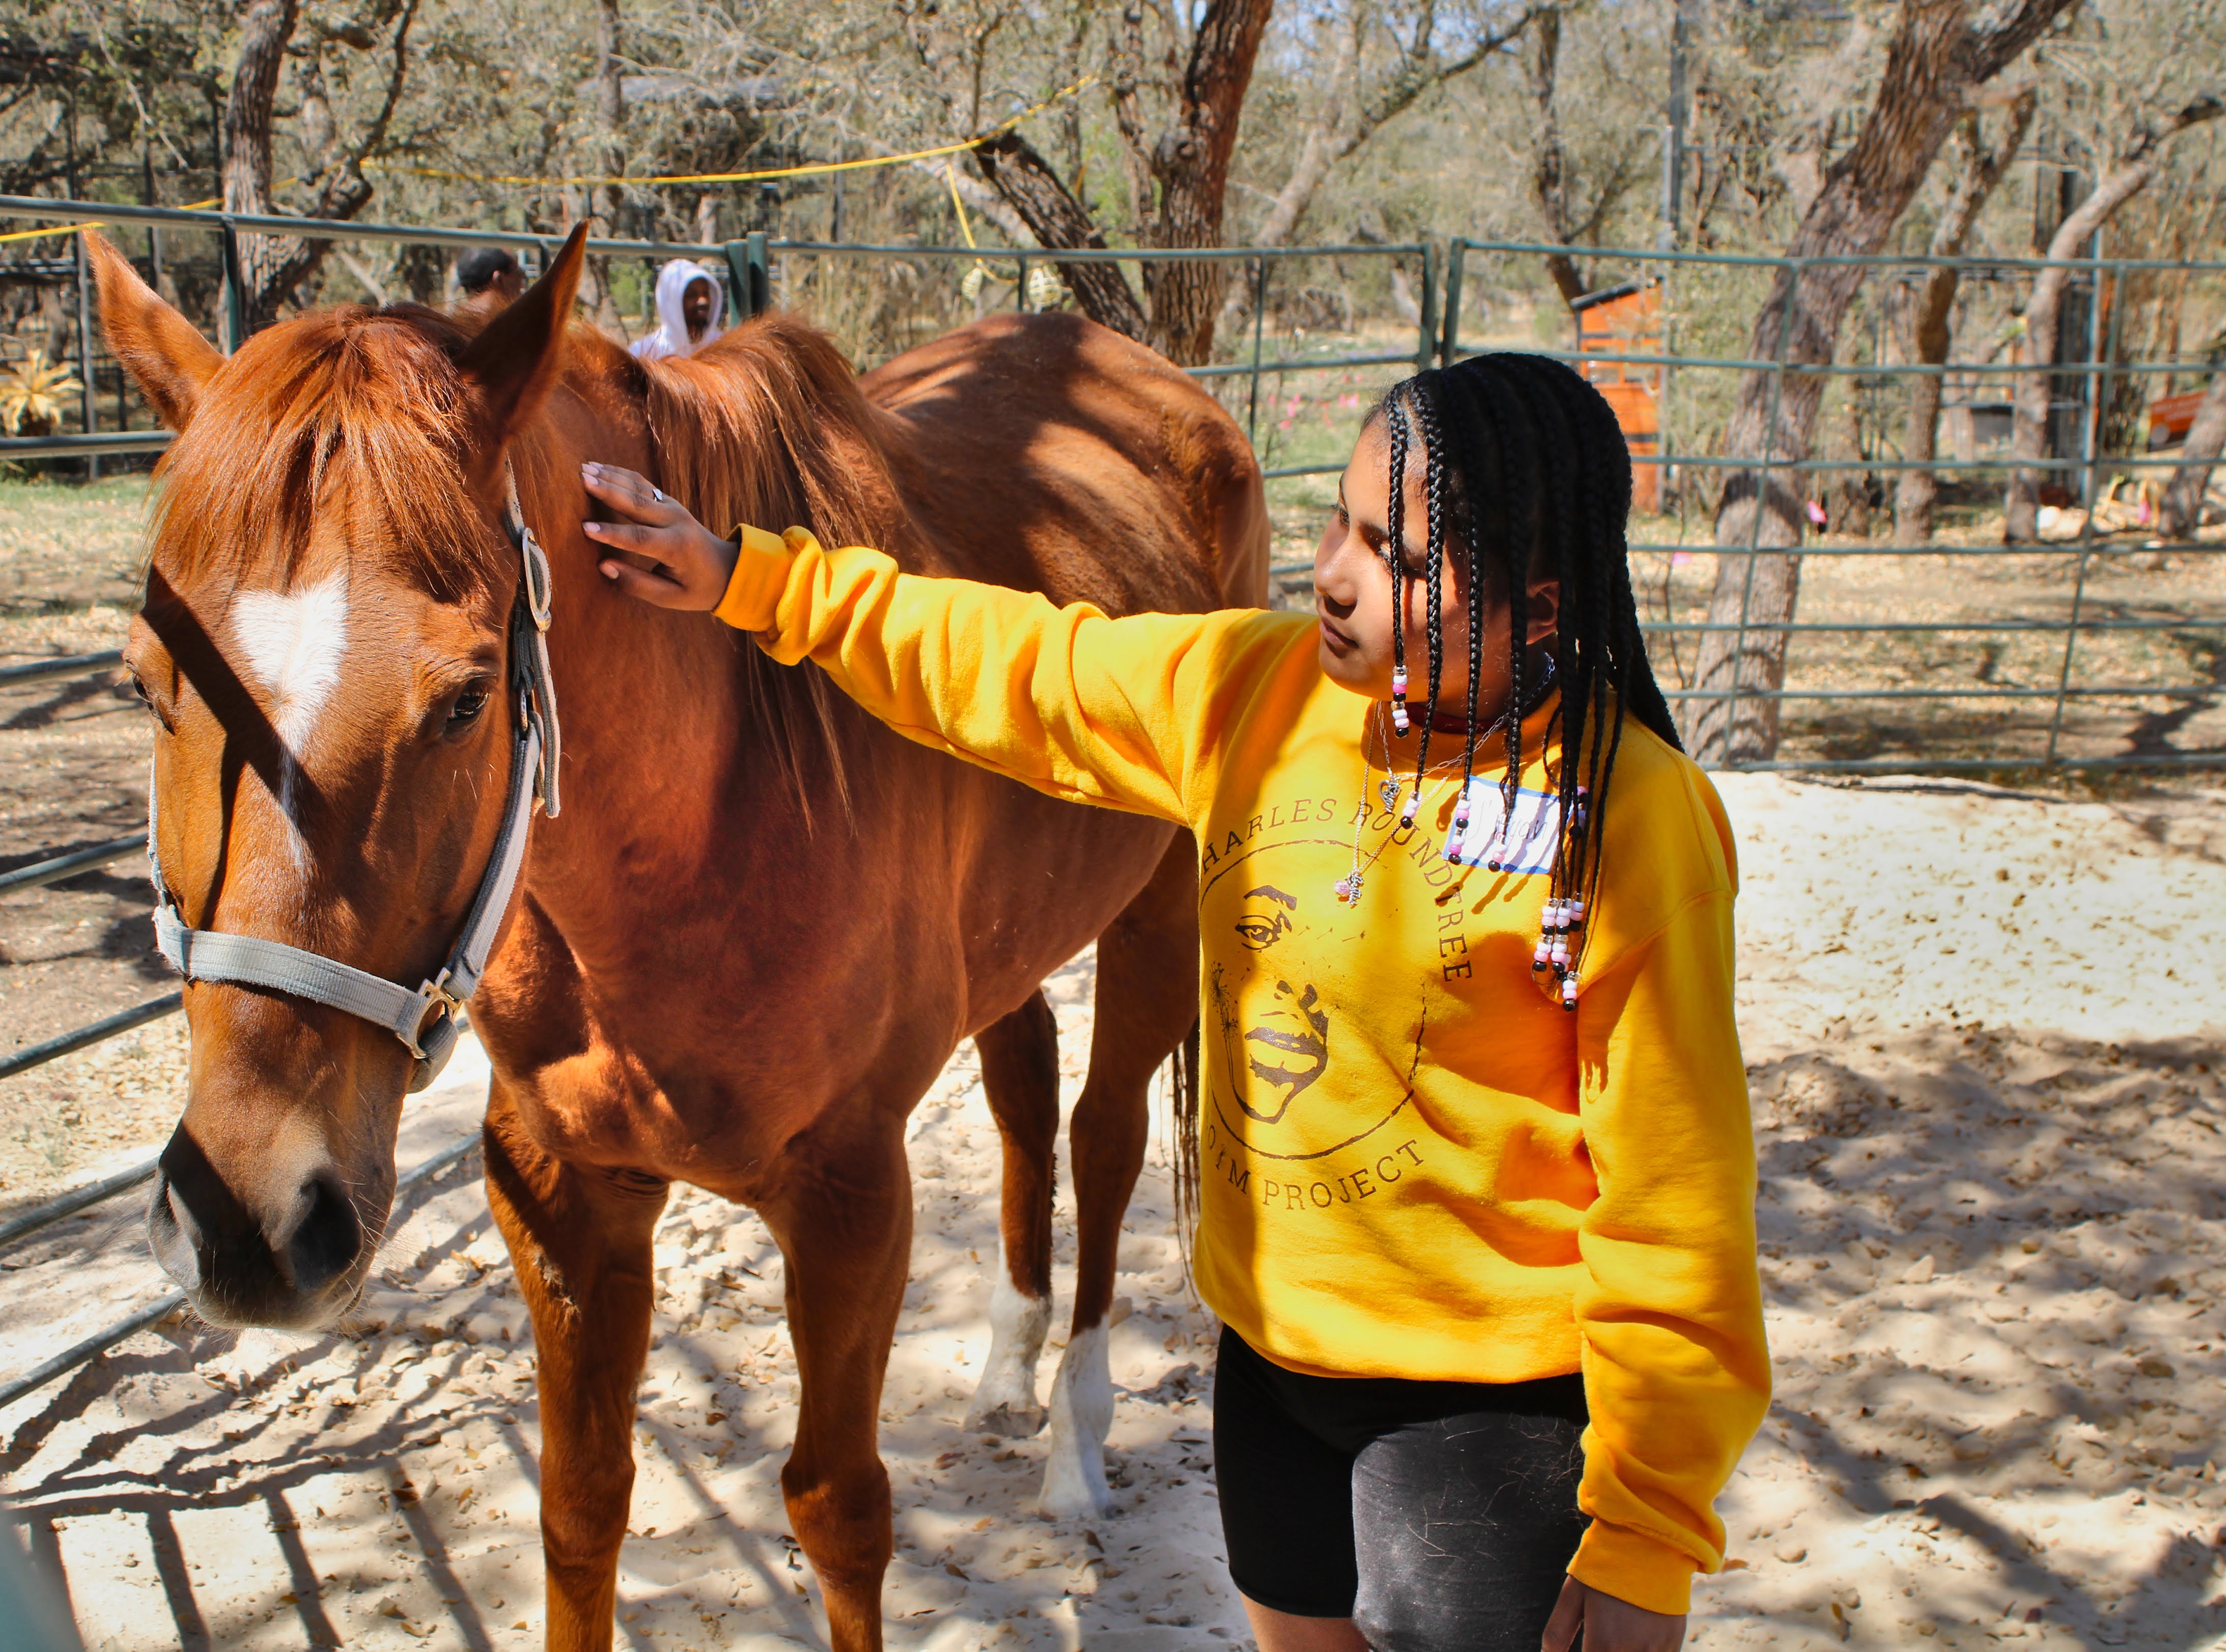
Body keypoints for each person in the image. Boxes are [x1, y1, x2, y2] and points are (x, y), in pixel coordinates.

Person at [578, 353, 1769, 1652]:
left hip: (1485, 1418)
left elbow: (1675, 1215)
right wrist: (752, 581)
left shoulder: (1629, 824)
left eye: (1399, 558)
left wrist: (1647, 1530)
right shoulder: (1256, 694)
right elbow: (1018, 663)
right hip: (1269, 1379)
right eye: (1339, 523)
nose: (1331, 572)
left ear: (1534, 612)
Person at [630, 258, 726, 360]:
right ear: (672, 304)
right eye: (691, 295)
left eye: (706, 293)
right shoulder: (643, 353)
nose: (703, 301)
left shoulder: (722, 346)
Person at [455, 247, 523, 320]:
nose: (522, 284)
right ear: (499, 278)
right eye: (519, 273)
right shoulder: (509, 326)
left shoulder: (453, 325)